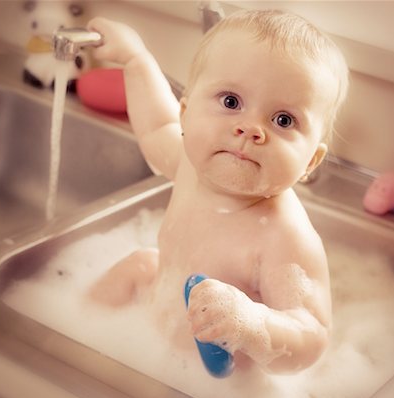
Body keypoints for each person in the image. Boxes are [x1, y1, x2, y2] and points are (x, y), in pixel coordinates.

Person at [87, 9, 349, 374]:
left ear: (311, 162)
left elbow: (312, 335)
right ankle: (71, 343)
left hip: (216, 381)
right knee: (142, 264)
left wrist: (251, 323)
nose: (250, 129)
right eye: (231, 102)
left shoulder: (284, 236)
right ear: (186, 115)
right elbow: (155, 127)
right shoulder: (190, 165)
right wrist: (135, 60)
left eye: (283, 120)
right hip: (152, 334)